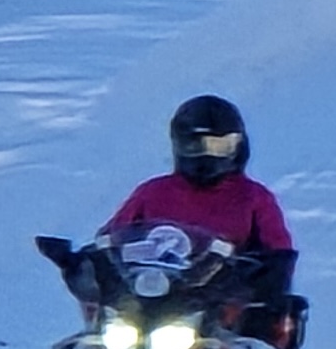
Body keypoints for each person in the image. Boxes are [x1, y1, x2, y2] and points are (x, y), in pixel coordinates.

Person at [104, 94, 296, 303]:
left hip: (225, 307)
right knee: (94, 335)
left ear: (239, 146)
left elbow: (279, 250)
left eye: (221, 146)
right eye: (196, 146)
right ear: (178, 145)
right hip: (152, 297)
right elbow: (112, 237)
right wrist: (81, 261)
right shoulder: (153, 192)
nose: (208, 155)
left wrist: (265, 272)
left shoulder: (253, 196)